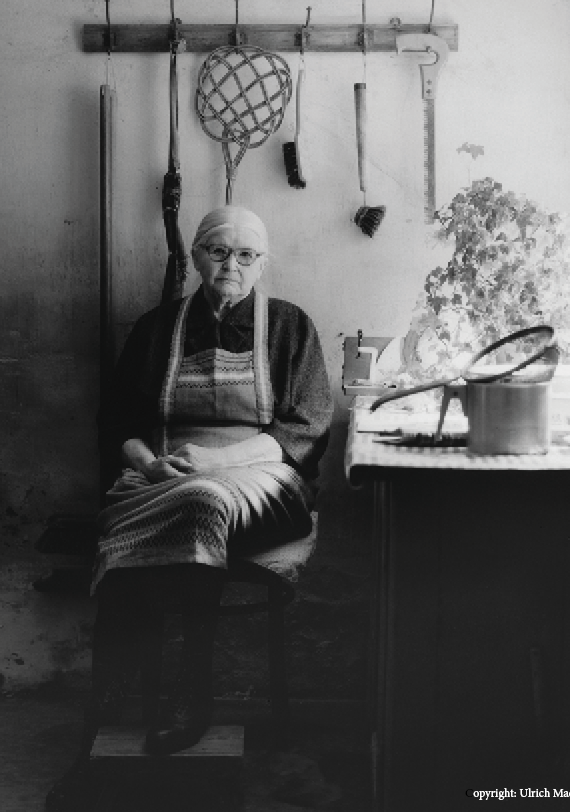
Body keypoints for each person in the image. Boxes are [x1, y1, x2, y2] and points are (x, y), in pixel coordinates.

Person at [46, 205, 333, 810]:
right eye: (219, 251)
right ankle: (107, 709)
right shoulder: (156, 328)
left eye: (246, 255)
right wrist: (149, 464)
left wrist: (217, 463)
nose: (232, 265)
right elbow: (117, 421)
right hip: (164, 474)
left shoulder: (289, 326)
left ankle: (191, 688)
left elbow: (305, 429)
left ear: (263, 263)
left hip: (265, 482)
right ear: (197, 255)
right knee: (149, 511)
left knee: (202, 500)